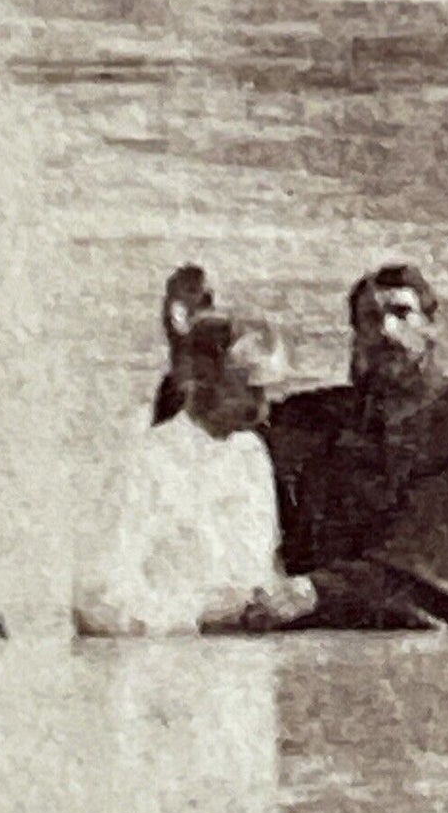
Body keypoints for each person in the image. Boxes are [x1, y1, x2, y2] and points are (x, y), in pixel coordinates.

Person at [249, 263, 448, 631]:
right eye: (370, 318)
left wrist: (317, 591)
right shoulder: (320, 418)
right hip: (338, 617)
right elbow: (228, 420)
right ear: (356, 334)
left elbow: (429, 551)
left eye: (401, 313)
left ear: (430, 328)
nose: (387, 331)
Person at [72, 318, 291, 637]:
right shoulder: (144, 462)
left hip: (249, 669)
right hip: (171, 666)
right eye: (251, 388)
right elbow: (98, 601)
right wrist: (199, 616)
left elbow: (263, 568)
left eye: (269, 389)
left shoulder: (252, 455)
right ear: (203, 377)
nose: (264, 406)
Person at [151, 264, 222, 427]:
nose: (203, 294)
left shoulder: (198, 311)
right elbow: (185, 331)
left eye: (200, 289)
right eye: (193, 290)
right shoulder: (180, 313)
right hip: (189, 377)